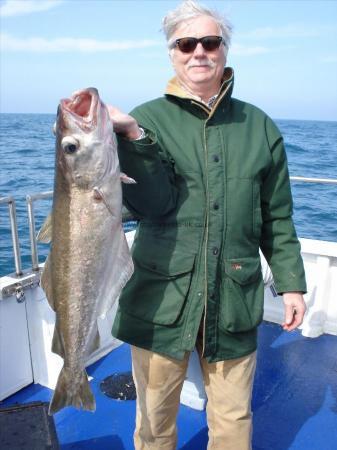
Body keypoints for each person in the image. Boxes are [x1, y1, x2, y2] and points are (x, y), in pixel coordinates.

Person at [109, 1, 307, 449]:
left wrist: (292, 284)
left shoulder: (259, 126)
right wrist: (132, 138)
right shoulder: (144, 121)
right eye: (186, 43)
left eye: (209, 42)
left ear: (224, 50)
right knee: (154, 421)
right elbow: (148, 205)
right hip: (161, 299)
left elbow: (277, 215)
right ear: (172, 53)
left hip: (233, 299)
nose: (198, 51)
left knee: (234, 420)